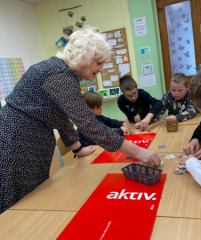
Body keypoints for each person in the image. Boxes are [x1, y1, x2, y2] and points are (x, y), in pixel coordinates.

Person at [0, 26, 161, 214]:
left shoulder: (63, 72)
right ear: (84, 56)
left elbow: (62, 117)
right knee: (20, 203)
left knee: (31, 199)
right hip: (18, 141)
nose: (101, 69)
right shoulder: (59, 75)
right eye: (98, 63)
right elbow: (89, 125)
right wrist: (139, 152)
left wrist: (77, 148)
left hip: (29, 138)